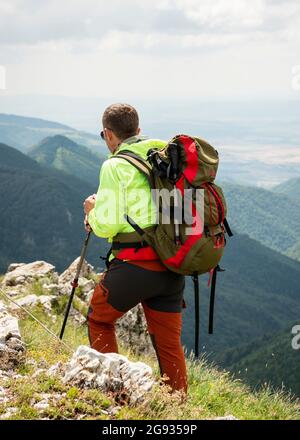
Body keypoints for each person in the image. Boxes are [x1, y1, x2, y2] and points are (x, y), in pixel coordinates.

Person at [83, 103, 187, 394]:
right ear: (138, 131)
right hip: (172, 265)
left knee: (99, 319)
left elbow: (108, 225)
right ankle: (177, 409)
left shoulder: (115, 165)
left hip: (134, 265)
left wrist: (92, 211)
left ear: (108, 134)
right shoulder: (165, 154)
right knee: (168, 344)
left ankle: (112, 396)